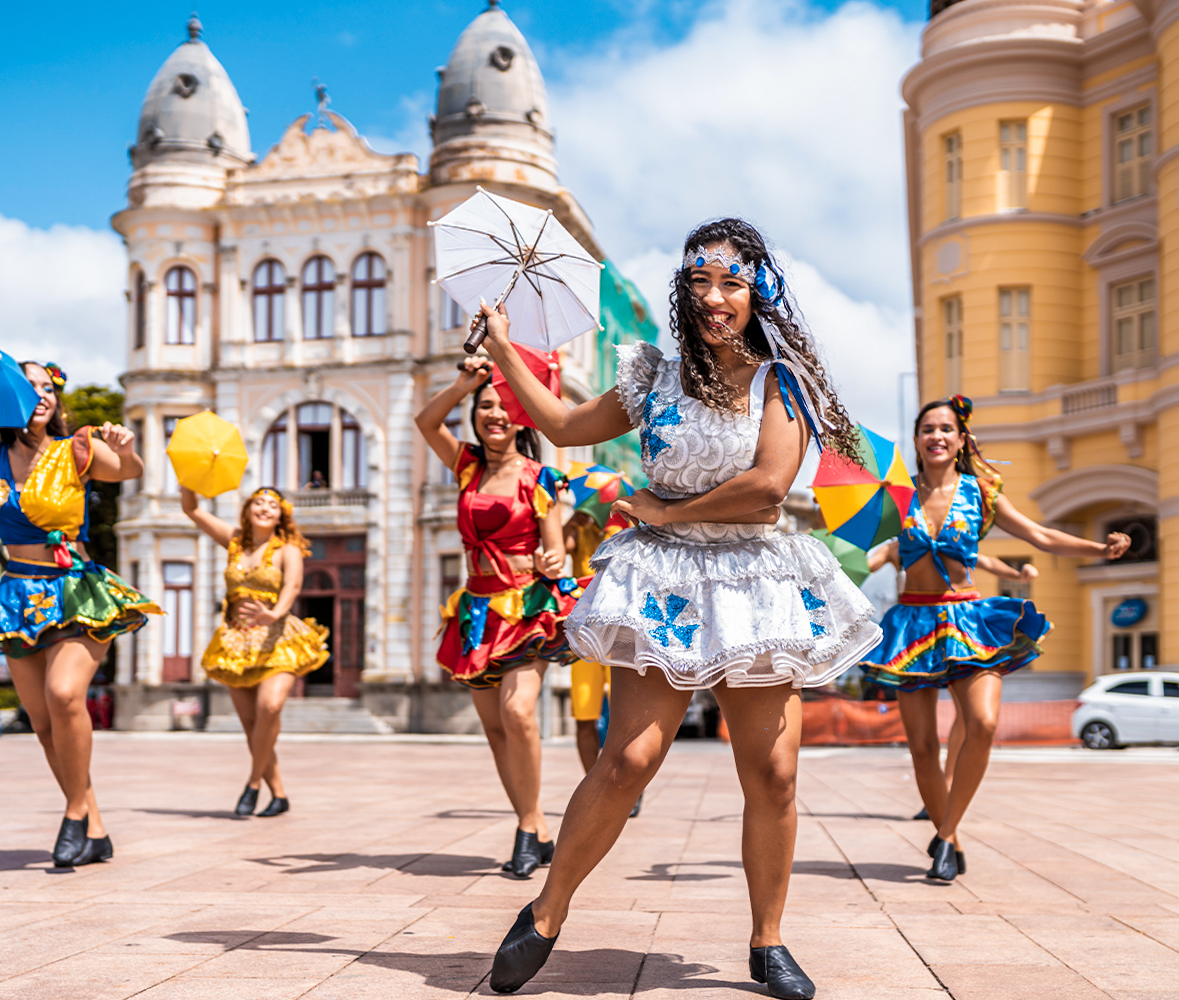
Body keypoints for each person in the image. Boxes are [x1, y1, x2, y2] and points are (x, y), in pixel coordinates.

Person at [479, 219, 882, 999]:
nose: (712, 297)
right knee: (628, 759)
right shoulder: (652, 375)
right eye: (698, 282)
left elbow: (769, 485)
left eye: (729, 281)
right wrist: (501, 349)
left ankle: (768, 943)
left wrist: (662, 509)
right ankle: (546, 912)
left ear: (756, 291)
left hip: (752, 578)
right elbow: (562, 427)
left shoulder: (781, 381)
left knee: (772, 772)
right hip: (665, 581)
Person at [858, 396, 1128, 881]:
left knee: (981, 723)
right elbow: (863, 552)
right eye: (927, 429)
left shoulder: (980, 492)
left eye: (945, 429)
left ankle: (944, 834)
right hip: (913, 625)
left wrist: (1098, 549)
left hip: (969, 622)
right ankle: (950, 838)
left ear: (961, 440)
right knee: (922, 747)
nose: (936, 436)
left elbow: (1039, 535)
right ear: (916, 440)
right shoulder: (897, 496)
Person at [0, 360, 158, 869]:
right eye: (29, 388)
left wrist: (128, 448)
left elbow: (130, 473)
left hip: (76, 588)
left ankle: (72, 814)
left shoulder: (77, 449)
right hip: (19, 594)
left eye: (48, 388)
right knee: (44, 723)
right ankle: (94, 828)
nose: (41, 395)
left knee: (65, 694)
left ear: (57, 400)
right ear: (9, 400)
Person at [415, 358, 575, 880]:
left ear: (523, 419)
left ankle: (528, 827)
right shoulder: (466, 466)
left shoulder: (538, 478)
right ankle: (536, 828)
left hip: (527, 607)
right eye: (486, 406)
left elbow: (556, 552)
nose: (495, 414)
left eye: (505, 407)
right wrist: (464, 383)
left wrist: (555, 562)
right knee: (495, 730)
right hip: (477, 611)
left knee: (519, 712)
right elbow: (424, 422)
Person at [183, 485, 330, 817]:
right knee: (251, 724)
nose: (265, 508)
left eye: (272, 505)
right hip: (236, 643)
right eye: (259, 503)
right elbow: (193, 510)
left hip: (276, 638)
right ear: (248, 509)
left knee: (270, 706)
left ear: (281, 515)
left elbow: (292, 585)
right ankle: (278, 795)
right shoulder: (234, 540)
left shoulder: (287, 548)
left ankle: (252, 783)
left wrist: (275, 613)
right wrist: (190, 484)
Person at [867, 549, 1037, 821]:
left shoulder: (955, 529)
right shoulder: (898, 543)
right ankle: (939, 792)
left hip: (959, 627)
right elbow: (862, 566)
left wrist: (1016, 573)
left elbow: (986, 559)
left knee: (970, 714)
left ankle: (947, 783)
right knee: (925, 740)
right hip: (916, 634)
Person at [562, 509, 642, 818]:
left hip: (618, 626)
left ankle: (630, 783)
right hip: (584, 628)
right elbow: (562, 547)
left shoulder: (627, 519)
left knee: (623, 717)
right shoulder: (580, 525)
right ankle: (594, 785)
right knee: (584, 714)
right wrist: (571, 523)